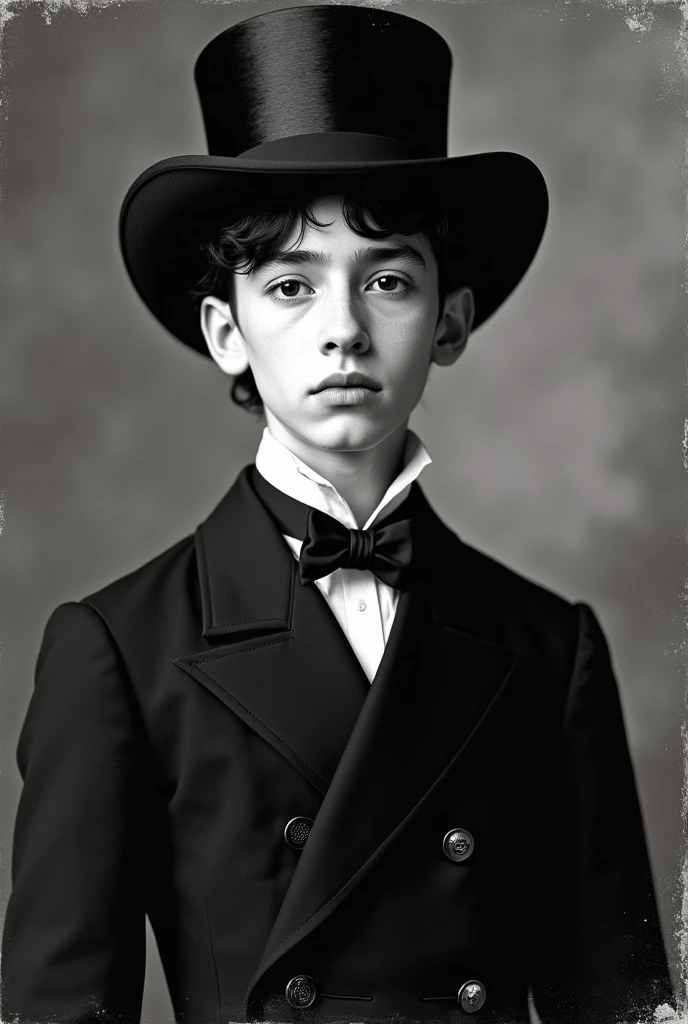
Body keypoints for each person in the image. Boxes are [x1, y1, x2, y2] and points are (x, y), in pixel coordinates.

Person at [0, 6, 675, 1024]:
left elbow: (622, 1007)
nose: (344, 332)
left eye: (389, 280)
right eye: (290, 286)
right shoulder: (116, 648)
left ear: (449, 321)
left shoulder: (548, 645)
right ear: (227, 331)